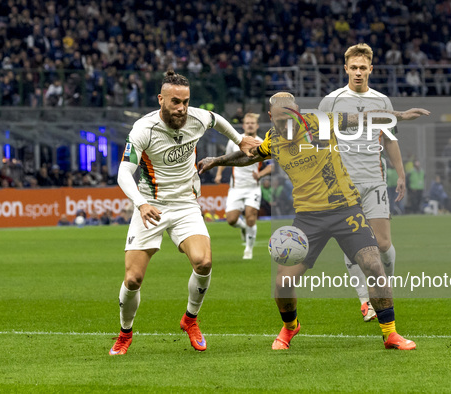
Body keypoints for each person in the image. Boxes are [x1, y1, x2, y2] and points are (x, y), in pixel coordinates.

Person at [199, 92, 427, 351]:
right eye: (281, 117)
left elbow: (363, 118)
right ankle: (290, 326)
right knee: (282, 283)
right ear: (271, 117)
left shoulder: (320, 121)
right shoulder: (273, 140)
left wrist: (399, 115)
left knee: (373, 264)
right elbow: (249, 156)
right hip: (308, 219)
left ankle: (390, 334)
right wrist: (216, 161)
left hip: (346, 210)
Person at [109, 70, 259, 356]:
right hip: (150, 205)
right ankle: (125, 334)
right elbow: (123, 173)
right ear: (161, 100)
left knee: (203, 262)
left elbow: (217, 120)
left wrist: (240, 139)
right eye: (175, 102)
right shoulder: (143, 129)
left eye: (186, 102)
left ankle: (190, 319)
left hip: (185, 204)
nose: (182, 108)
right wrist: (141, 203)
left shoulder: (197, 118)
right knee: (133, 280)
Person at [318, 43, 430, 322]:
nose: (358, 72)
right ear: (346, 69)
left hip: (375, 180)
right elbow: (321, 143)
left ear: (371, 69)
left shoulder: (382, 101)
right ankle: (366, 301)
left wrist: (401, 174)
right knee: (353, 245)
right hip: (343, 185)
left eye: (362, 68)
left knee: (381, 243)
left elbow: (390, 140)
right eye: (353, 67)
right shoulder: (330, 101)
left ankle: (383, 289)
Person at [214, 113, 272, 259]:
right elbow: (225, 159)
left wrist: (260, 174)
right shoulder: (235, 141)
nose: (250, 125)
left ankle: (248, 250)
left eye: (253, 123)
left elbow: (272, 166)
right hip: (235, 187)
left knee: (251, 217)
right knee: (231, 220)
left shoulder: (262, 143)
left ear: (257, 126)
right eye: (247, 123)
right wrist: (219, 174)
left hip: (253, 187)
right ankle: (244, 228)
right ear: (244, 125)